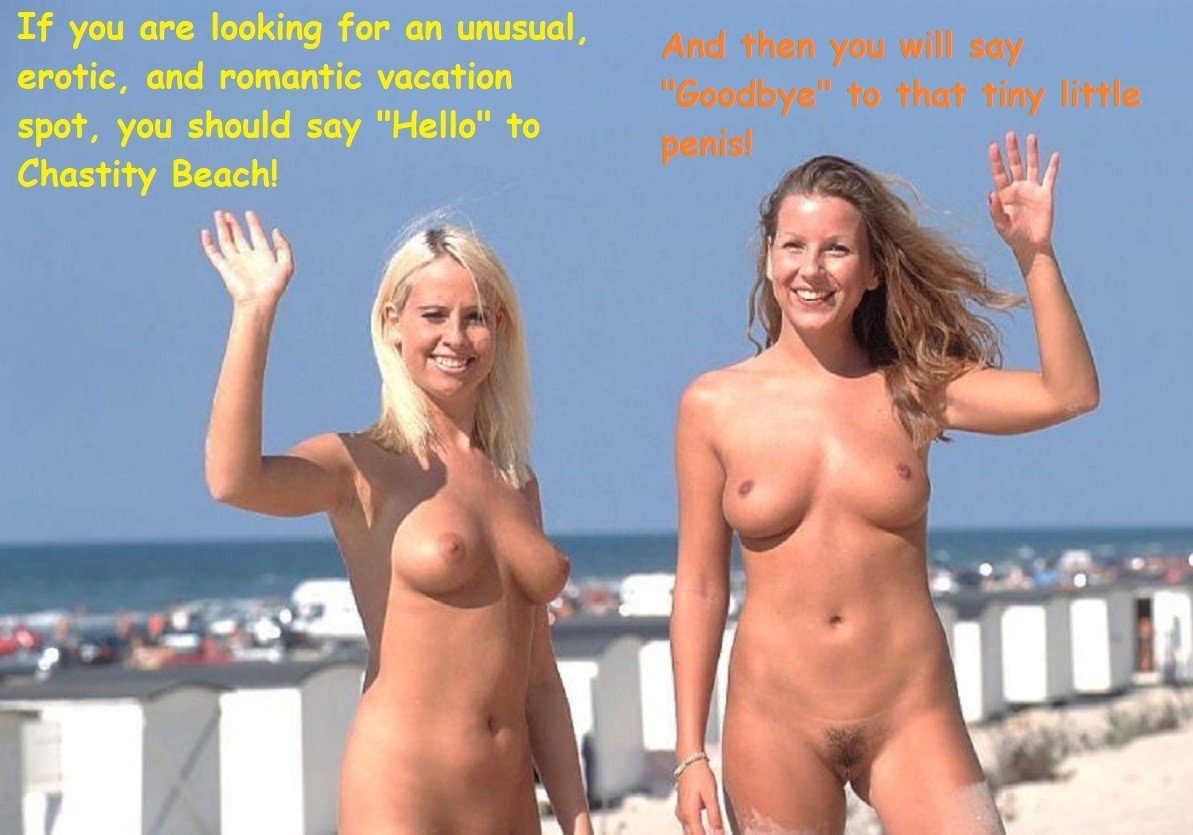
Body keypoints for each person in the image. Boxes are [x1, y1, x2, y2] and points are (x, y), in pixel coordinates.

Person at [671, 133, 1098, 835]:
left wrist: (1035, 255)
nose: (811, 269)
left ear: (871, 270)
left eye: (836, 249)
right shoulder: (712, 405)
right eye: (793, 246)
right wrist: (690, 752)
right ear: (769, 257)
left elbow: (1069, 392)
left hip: (909, 713)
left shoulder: (915, 388)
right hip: (773, 722)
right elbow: (698, 586)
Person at [201, 212, 592, 834]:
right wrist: (254, 312)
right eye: (434, 315)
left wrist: (578, 819)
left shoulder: (516, 480)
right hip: (404, 794)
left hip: (509, 801)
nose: (455, 338)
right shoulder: (363, 465)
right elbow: (234, 480)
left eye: (475, 317)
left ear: (500, 328)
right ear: (392, 323)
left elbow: (540, 680)